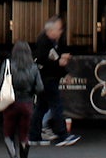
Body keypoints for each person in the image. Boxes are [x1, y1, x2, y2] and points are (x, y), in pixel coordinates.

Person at [1, 41, 44, 158]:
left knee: (8, 134)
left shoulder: (8, 64)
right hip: (27, 104)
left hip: (11, 103)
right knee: (24, 136)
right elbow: (40, 88)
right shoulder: (34, 67)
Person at [31, 18, 77, 146]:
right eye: (58, 29)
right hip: (47, 79)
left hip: (47, 78)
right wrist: (59, 62)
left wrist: (64, 72)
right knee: (56, 106)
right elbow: (45, 60)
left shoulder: (51, 42)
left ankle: (33, 135)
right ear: (50, 30)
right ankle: (62, 135)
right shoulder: (44, 43)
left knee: (41, 107)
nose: (60, 32)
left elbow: (54, 59)